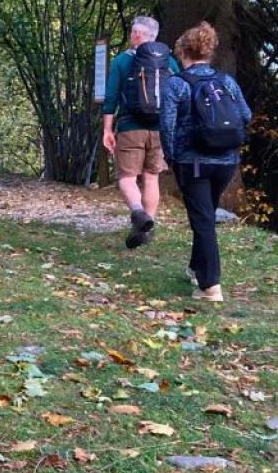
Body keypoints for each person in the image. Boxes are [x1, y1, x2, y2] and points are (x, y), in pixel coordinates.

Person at [160, 22, 251, 302]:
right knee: (205, 214)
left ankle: (210, 286)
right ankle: (196, 268)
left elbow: (167, 125)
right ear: (209, 52)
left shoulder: (176, 84)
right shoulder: (226, 81)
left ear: (182, 53)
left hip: (193, 161)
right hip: (226, 161)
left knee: (203, 221)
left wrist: (171, 156)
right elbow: (245, 115)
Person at [102, 16, 180, 248]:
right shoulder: (168, 61)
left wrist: (107, 129)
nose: (131, 35)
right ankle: (149, 225)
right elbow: (177, 92)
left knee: (126, 177)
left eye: (132, 31)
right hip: (159, 129)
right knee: (151, 177)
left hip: (130, 127)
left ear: (137, 34)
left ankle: (138, 214)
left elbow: (111, 98)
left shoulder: (122, 61)